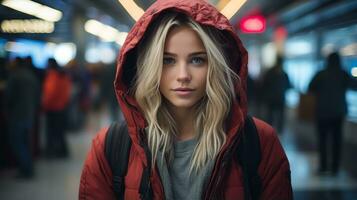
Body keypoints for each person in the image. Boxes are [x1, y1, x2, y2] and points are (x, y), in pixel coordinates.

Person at [79, 0, 292, 199]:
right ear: (149, 67)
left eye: (197, 60)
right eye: (167, 60)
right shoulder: (110, 147)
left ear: (215, 66)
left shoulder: (259, 142)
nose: (183, 75)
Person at [308, 52, 357, 176]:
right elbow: (354, 85)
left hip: (322, 112)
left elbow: (310, 87)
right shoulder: (343, 74)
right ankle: (335, 167)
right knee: (337, 140)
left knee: (322, 140)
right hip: (338, 112)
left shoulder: (321, 74)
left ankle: (323, 166)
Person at [4, 57, 40, 178]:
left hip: (17, 115)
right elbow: (37, 95)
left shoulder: (14, 77)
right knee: (25, 142)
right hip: (29, 114)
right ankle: (28, 167)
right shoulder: (31, 76)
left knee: (17, 143)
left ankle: (26, 169)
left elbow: (8, 96)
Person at [42, 58, 72, 158]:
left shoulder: (53, 75)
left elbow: (50, 93)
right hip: (62, 107)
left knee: (51, 131)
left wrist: (44, 105)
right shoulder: (63, 75)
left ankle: (51, 152)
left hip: (53, 107)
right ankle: (63, 151)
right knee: (60, 131)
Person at [262, 55, 291, 133]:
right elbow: (289, 86)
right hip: (280, 98)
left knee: (270, 116)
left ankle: (269, 131)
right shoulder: (284, 73)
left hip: (272, 98)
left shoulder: (270, 72)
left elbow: (264, 85)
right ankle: (279, 131)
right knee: (279, 116)